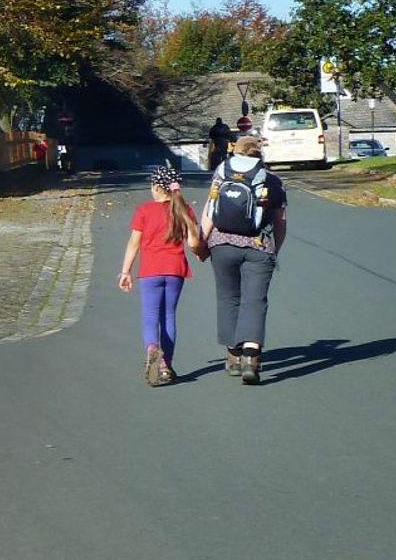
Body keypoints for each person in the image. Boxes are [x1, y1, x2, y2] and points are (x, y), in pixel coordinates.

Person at [200, 133, 288, 384]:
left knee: (228, 297)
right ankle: (251, 357)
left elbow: (210, 210)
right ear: (260, 155)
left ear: (236, 152)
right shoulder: (273, 180)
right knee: (255, 300)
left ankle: (233, 356)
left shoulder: (222, 173)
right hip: (259, 246)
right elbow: (281, 221)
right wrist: (274, 249)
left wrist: (202, 242)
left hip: (222, 244)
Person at [117, 162, 203, 386]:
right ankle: (166, 366)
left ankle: (152, 348)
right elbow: (194, 242)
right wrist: (200, 252)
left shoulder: (144, 210)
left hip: (150, 271)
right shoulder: (184, 209)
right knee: (168, 317)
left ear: (156, 187)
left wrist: (125, 271)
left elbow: (134, 243)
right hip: (175, 270)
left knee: (150, 317)